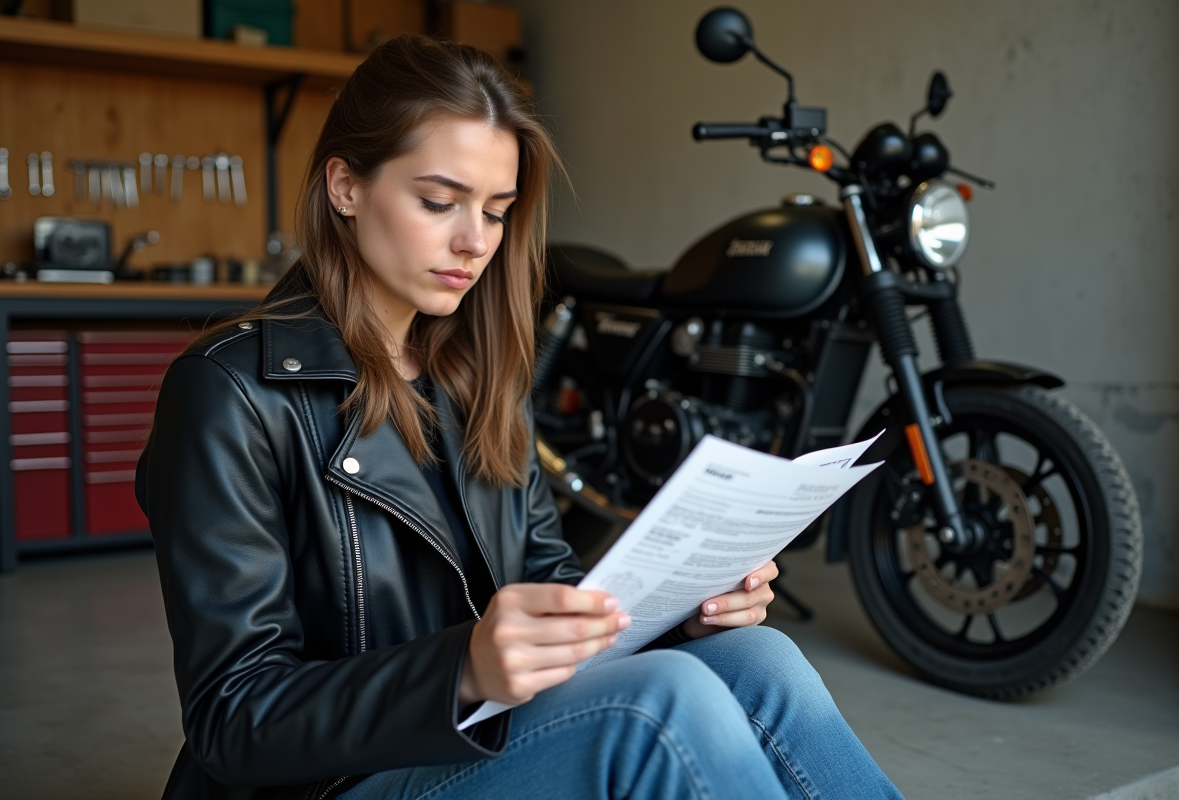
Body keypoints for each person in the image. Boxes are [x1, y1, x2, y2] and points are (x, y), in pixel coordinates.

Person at [137, 35, 902, 800]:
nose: (475, 242)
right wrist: (461, 671)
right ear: (345, 186)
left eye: (496, 212)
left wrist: (688, 616)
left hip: (475, 739)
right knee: (660, 706)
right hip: (331, 785)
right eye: (438, 202)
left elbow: (549, 582)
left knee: (759, 661)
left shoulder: (474, 376)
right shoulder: (228, 393)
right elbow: (231, 717)